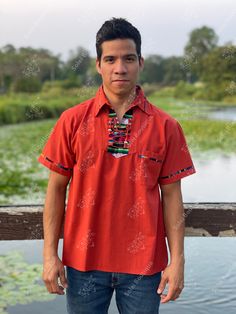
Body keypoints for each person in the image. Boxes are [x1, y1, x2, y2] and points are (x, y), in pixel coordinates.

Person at [38, 17, 196, 314]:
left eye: (128, 58)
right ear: (98, 64)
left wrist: (177, 261)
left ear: (141, 62)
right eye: (110, 59)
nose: (120, 68)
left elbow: (172, 197)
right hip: (83, 264)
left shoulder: (166, 126)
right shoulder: (72, 121)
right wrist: (50, 255)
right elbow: (56, 189)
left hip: (144, 267)